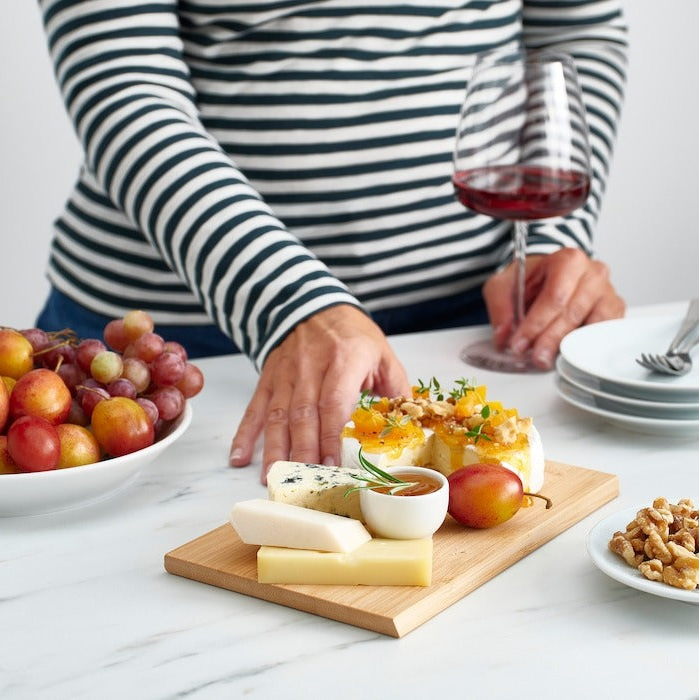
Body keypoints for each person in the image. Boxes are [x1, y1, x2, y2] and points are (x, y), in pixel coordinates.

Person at [36, 0, 628, 481]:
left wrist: (551, 238)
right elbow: (124, 87)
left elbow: (579, 34)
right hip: (182, 345)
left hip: (471, 329)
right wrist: (290, 300)